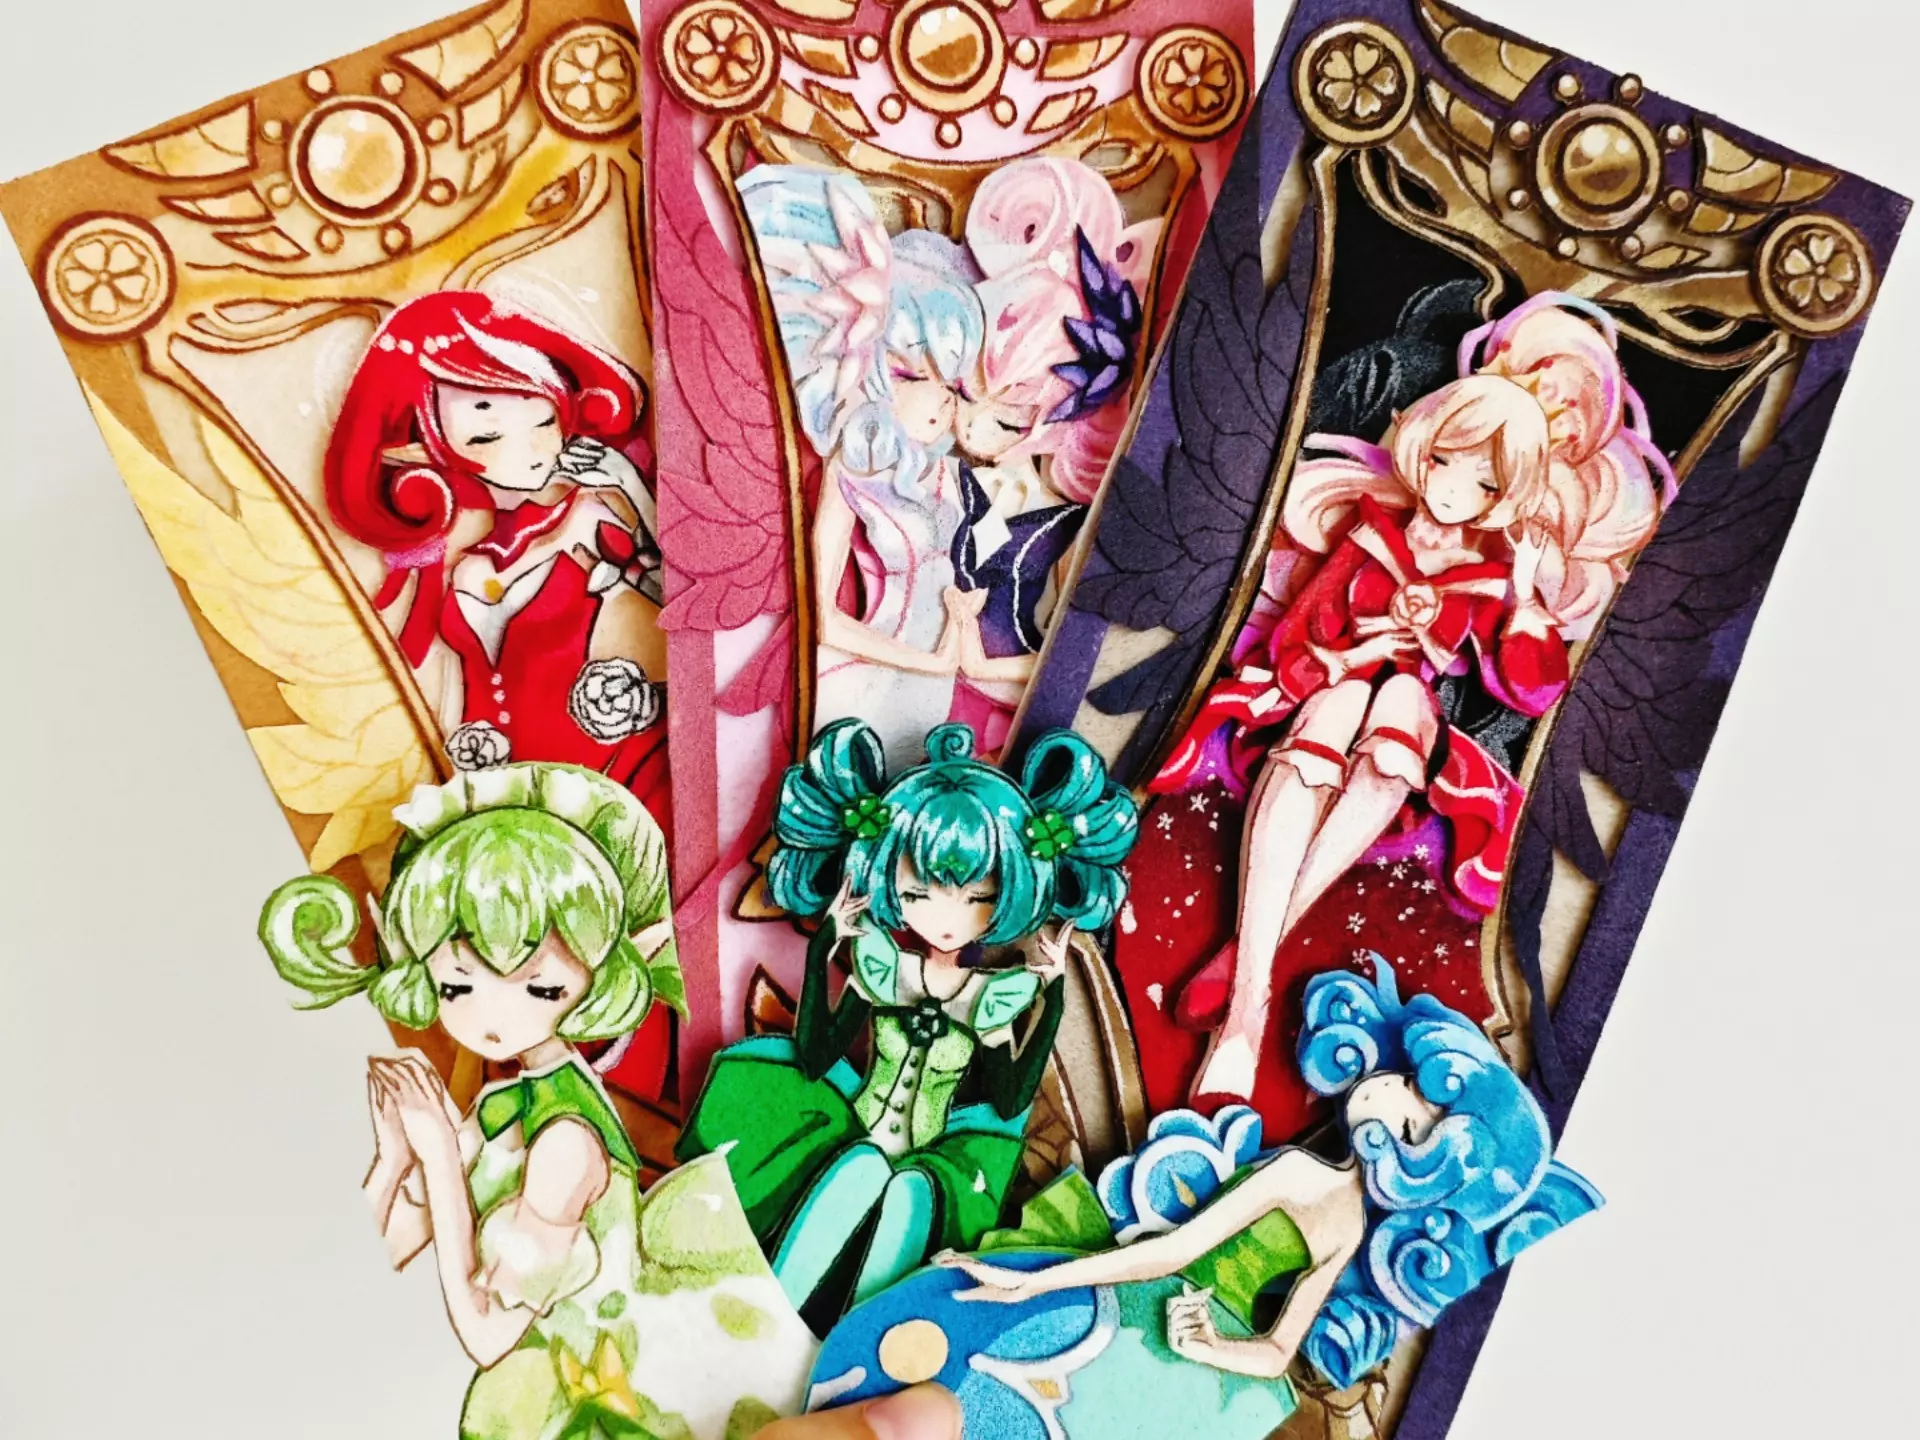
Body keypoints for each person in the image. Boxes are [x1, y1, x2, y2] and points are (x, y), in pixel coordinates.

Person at [1157, 294, 1675, 1104]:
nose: (1454, 488)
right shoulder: (1370, 529)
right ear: (1422, 445)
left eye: (1484, 480)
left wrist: (1527, 599)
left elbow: (1534, 683)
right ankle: (1245, 1011)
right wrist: (1346, 653)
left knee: (1402, 699)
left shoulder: (1489, 577)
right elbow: (1299, 633)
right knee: (1338, 708)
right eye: (1447, 461)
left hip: (1402, 721)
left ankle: (1245, 968)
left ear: (1507, 496)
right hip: (1325, 692)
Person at [803, 960, 1600, 1440]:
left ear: (1419, 1158)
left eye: (1419, 1113)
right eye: (1415, 1082)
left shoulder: (1306, 1182)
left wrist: (1033, 1282)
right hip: (1172, 1367)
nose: (1395, 1089)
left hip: (1135, 1322)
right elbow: (1269, 1351)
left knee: (992, 1380)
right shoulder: (1347, 1225)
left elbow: (1177, 1256)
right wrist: (1210, 1348)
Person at [258, 763, 817, 1440]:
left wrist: (439, 1158)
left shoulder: (565, 1140)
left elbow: (489, 1336)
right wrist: (398, 1149)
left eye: (539, 986)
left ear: (599, 973)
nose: (491, 1016)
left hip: (632, 1398)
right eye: (457, 987)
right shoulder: (503, 1106)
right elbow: (389, 1248)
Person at [678, 720, 1138, 1318]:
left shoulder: (992, 998)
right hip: (853, 1133)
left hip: (935, 1158)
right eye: (919, 893)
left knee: (909, 1194)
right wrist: (824, 950)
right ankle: (771, 1315)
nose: (947, 917)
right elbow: (816, 1053)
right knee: (858, 1167)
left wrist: (1049, 995)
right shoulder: (881, 969)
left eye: (978, 898)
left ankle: (860, 1335)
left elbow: (1008, 1098)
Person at [325, 291, 670, 822]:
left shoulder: (589, 520)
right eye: (486, 435)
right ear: (428, 444)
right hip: (519, 807)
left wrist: (629, 485)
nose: (529, 450)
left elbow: (697, 615)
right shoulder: (469, 564)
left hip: (621, 783)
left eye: (543, 422)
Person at [741, 165, 988, 768]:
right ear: (875, 373)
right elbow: (822, 617)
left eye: (952, 382)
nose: (940, 400)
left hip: (939, 682)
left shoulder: (953, 480)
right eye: (913, 374)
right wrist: (925, 660)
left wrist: (963, 642)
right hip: (866, 682)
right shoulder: (851, 470)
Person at [948, 158, 1161, 750]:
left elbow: (1072, 659)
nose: (970, 424)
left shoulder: (1067, 527)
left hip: (1008, 712)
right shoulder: (952, 481)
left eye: (1009, 415)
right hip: (932, 685)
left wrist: (976, 660)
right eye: (963, 393)